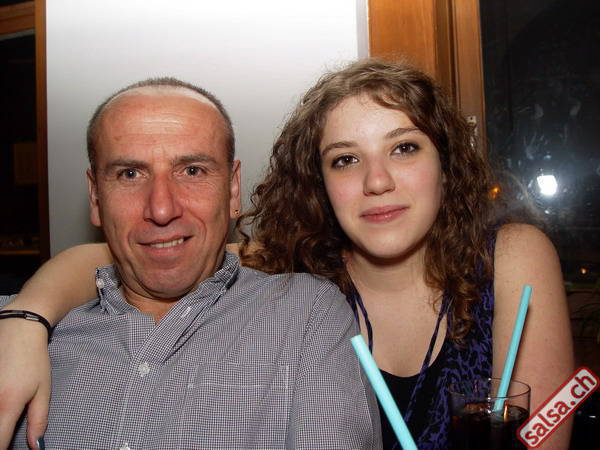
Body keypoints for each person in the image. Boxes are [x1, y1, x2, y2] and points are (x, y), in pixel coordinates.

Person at [1, 59, 573, 448]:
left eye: (404, 148)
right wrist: (25, 320)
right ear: (319, 184)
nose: (377, 181)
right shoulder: (298, 269)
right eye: (345, 159)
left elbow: (545, 431)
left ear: (444, 165)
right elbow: (125, 255)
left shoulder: (509, 258)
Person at [0, 77, 381, 449]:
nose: (161, 208)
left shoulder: (306, 316)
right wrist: (25, 317)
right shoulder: (17, 340)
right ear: (96, 197)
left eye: (192, 171)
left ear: (233, 189)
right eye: (130, 174)